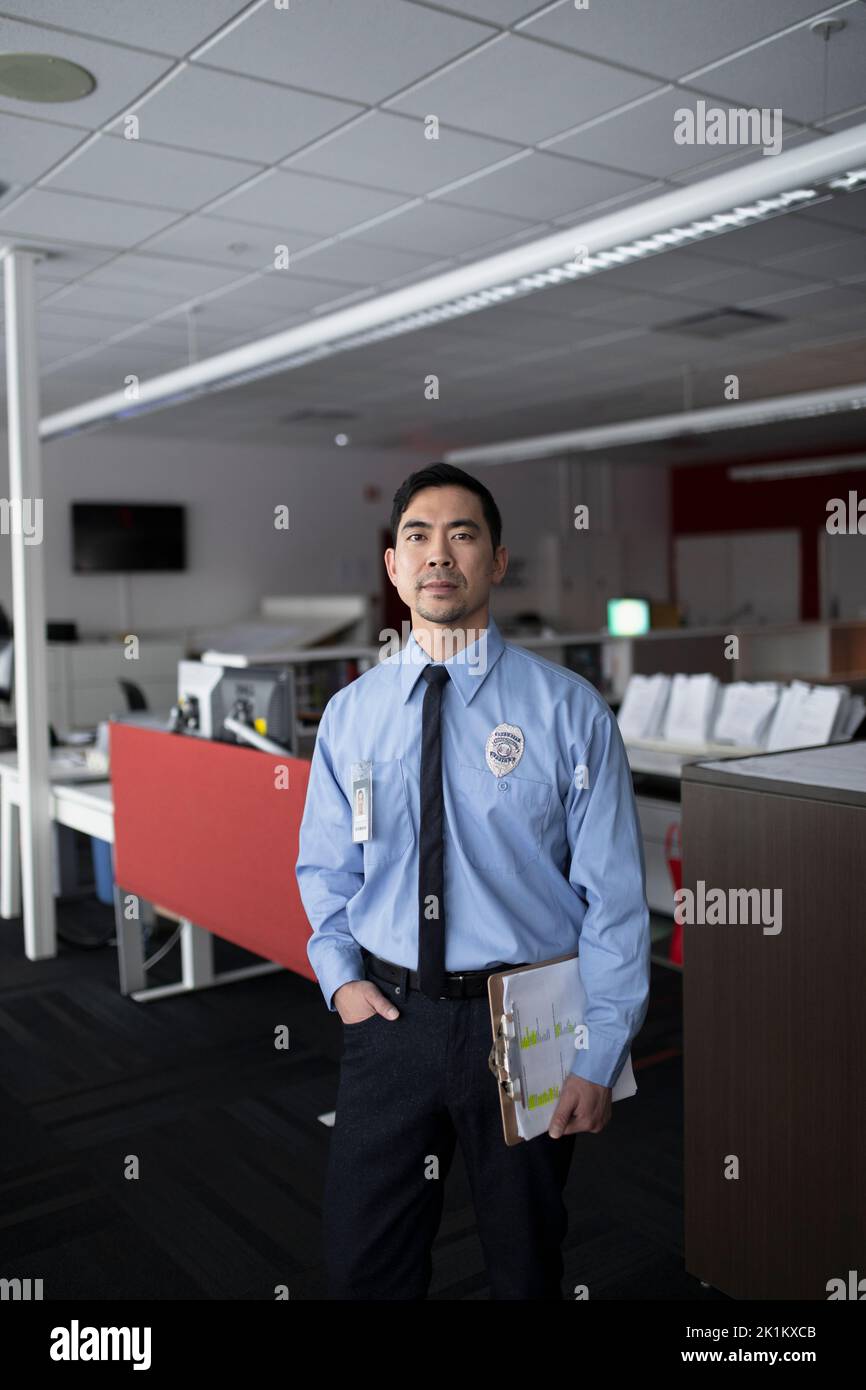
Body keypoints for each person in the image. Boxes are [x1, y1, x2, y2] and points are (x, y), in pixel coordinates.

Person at [295, 462, 650, 1300]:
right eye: (418, 536)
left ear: (496, 561)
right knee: (362, 1265)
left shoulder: (569, 712)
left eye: (463, 535)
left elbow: (615, 900)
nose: (439, 554)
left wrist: (602, 1047)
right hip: (389, 1022)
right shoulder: (352, 714)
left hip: (525, 1024)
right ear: (394, 567)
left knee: (526, 1261)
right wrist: (340, 978)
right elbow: (325, 868)